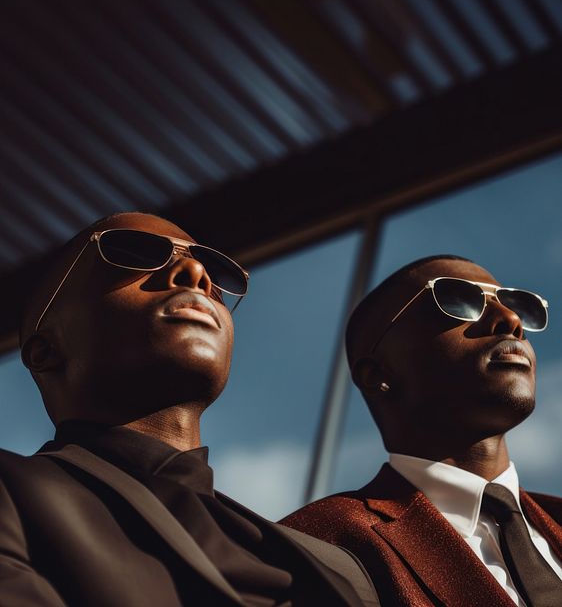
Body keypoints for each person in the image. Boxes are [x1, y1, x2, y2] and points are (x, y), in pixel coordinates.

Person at [1, 211, 378, 607]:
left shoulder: (343, 570)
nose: (196, 272)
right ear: (45, 350)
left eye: (215, 272)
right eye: (133, 252)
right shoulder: (13, 495)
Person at [282, 254, 562, 607]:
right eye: (459, 301)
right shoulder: (319, 541)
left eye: (515, 306)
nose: (509, 320)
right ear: (377, 374)